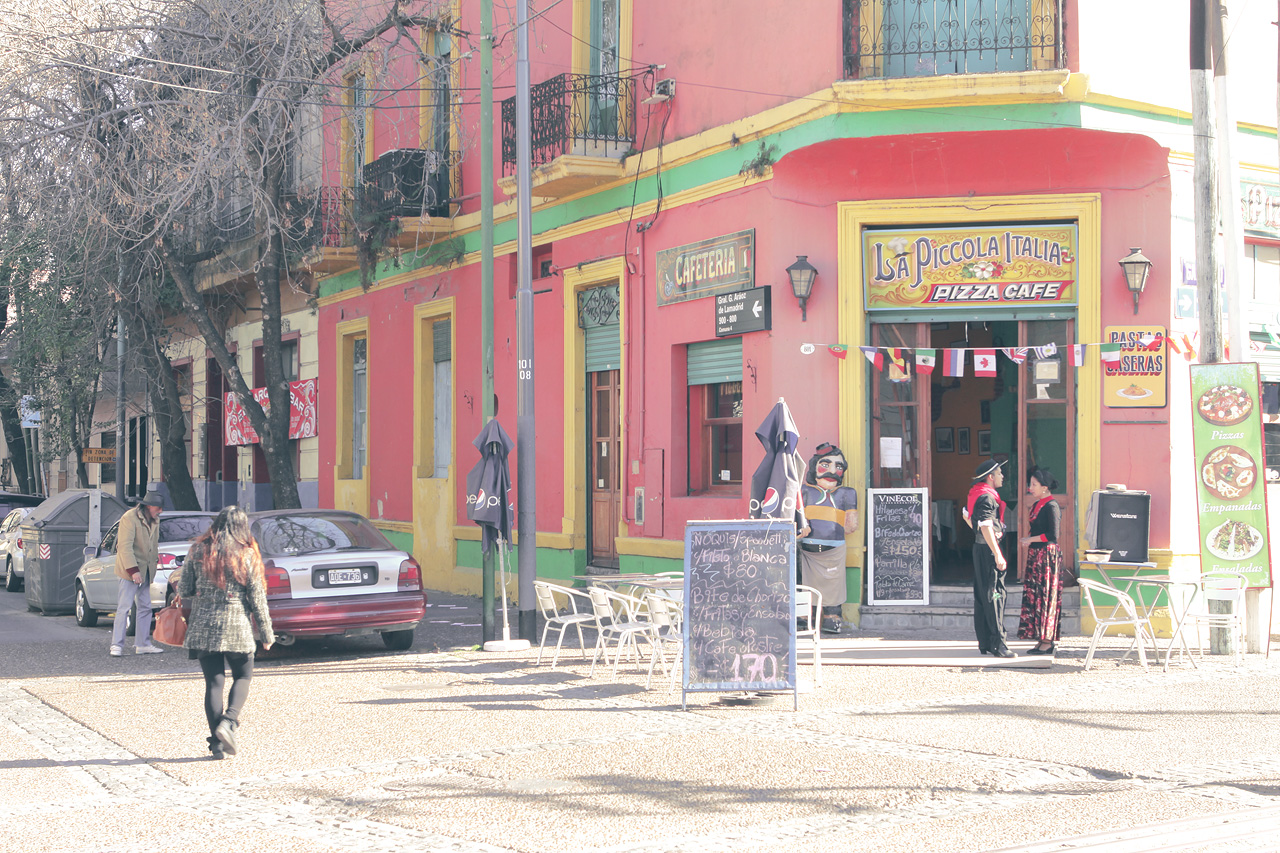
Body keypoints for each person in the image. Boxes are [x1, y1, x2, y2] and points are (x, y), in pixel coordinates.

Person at [179, 506, 274, 760]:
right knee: (243, 677)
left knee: (214, 683)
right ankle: (229, 722)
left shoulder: (197, 550)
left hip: (203, 625)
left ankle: (216, 746)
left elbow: (185, 589)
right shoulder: (247, 554)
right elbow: (257, 597)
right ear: (242, 527)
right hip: (237, 625)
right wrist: (266, 632)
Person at [797, 442, 859, 633]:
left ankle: (832, 616)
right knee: (803, 583)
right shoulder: (804, 491)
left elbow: (850, 527)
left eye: (838, 467)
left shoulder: (847, 494)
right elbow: (795, 520)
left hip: (834, 550)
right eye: (826, 464)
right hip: (807, 550)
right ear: (815, 466)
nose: (832, 471)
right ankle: (804, 617)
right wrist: (802, 527)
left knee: (834, 585)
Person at [965, 459, 1015, 658]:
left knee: (982, 594)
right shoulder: (987, 497)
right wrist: (997, 553)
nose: (1003, 476)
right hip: (987, 550)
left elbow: (967, 518)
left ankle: (985, 641)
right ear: (990, 477)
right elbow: (985, 526)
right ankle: (999, 644)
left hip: (979, 548)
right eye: (1000, 473)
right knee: (995, 595)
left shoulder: (976, 493)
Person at [110, 491, 164, 656]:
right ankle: (116, 645)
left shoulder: (155, 519)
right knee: (124, 607)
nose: (160, 511)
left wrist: (153, 565)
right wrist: (133, 571)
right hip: (130, 570)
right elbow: (124, 547)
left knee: (145, 607)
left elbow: (153, 545)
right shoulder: (129, 518)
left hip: (146, 569)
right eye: (158, 507)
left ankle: (142, 644)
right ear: (148, 506)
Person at [1018, 468, 1063, 655]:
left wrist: (1030, 540)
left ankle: (1047, 639)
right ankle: (1040, 637)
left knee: (1046, 596)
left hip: (1046, 557)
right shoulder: (1038, 504)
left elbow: (1053, 535)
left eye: (1034, 484)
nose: (1030, 488)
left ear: (1045, 487)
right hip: (1037, 556)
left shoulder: (1051, 506)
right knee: (1036, 596)